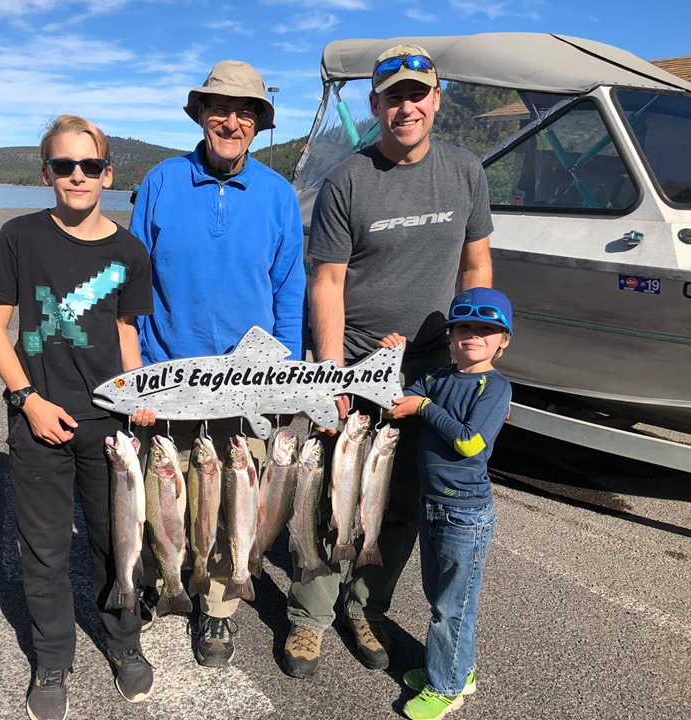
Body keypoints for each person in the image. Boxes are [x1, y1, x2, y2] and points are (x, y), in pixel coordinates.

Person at [284, 45, 494, 678]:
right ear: (375, 106)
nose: (406, 107)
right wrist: (330, 376)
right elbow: (326, 282)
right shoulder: (349, 178)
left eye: (417, 94)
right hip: (353, 360)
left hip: (428, 368)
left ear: (436, 100)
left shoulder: (466, 171)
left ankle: (365, 608)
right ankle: (308, 618)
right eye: (393, 97)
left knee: (401, 500)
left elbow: (476, 264)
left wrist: (474, 352)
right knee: (330, 495)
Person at [128, 60, 306, 667]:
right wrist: (141, 368)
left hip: (247, 379)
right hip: (168, 373)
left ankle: (220, 608)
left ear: (259, 122)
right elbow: (135, 281)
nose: (231, 121)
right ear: (201, 114)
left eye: (245, 111)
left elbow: (288, 291)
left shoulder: (279, 196)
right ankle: (162, 581)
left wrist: (279, 379)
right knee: (161, 490)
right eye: (220, 109)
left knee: (237, 495)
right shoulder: (160, 181)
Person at [0, 115, 155, 720]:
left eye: (89, 166)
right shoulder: (20, 237)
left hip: (109, 424)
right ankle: (52, 656)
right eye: (63, 166)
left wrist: (137, 397)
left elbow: (127, 334)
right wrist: (27, 398)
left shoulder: (130, 250)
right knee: (45, 550)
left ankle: (123, 640)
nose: (76, 177)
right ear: (45, 172)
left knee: (115, 543)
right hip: (39, 419)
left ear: (108, 172)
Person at [382, 286, 512, 720]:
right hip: (432, 504)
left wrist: (425, 408)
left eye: (485, 330)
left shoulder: (495, 388)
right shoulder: (437, 378)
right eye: (463, 329)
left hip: (465, 514)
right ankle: (458, 669)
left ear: (503, 340)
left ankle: (446, 687)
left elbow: (471, 443)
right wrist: (394, 361)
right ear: (450, 337)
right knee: (439, 596)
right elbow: (399, 401)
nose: (472, 337)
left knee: (451, 608)